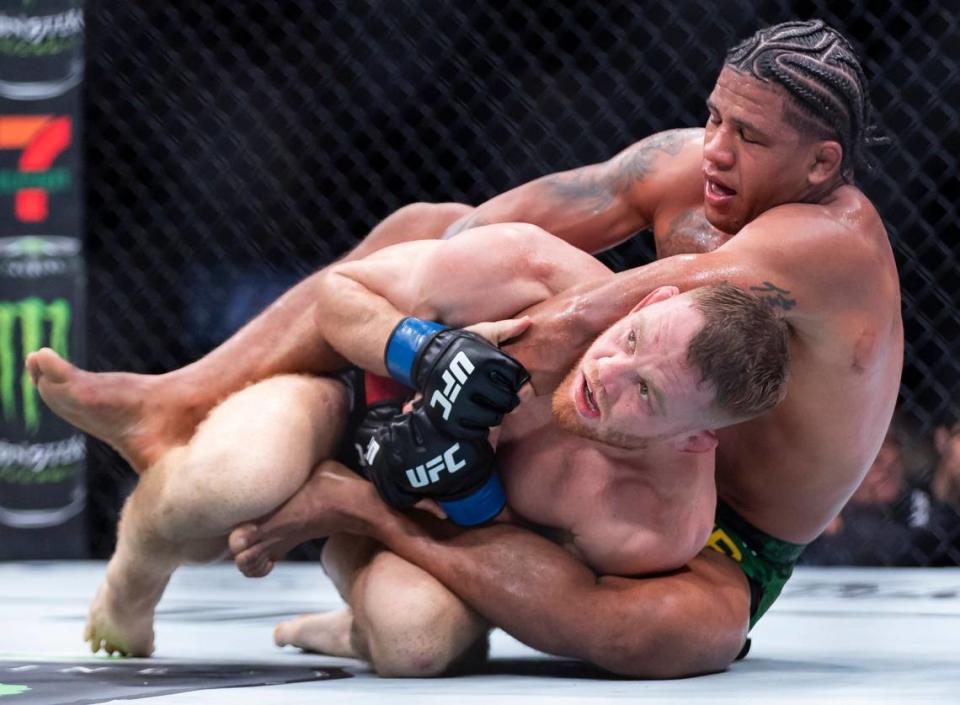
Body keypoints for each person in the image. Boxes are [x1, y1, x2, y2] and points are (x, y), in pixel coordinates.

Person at [31, 19, 901, 677]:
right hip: (611, 433)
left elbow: (603, 311)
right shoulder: (689, 169)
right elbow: (483, 230)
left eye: (748, 137)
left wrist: (462, 355)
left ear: (822, 163)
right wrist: (425, 328)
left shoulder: (834, 243)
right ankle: (177, 401)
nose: (716, 147)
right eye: (714, 116)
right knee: (431, 232)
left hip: (719, 534)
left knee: (678, 635)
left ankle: (363, 508)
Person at [30, 224, 788, 671]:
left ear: (695, 437)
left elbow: (534, 588)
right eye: (630, 340)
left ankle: (347, 625)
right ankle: (133, 577)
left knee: (415, 642)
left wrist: (449, 486)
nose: (608, 373)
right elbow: (339, 293)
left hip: (428, 520)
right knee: (233, 478)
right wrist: (423, 353)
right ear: (650, 302)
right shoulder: (540, 277)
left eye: (646, 395)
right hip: (348, 405)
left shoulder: (655, 524)